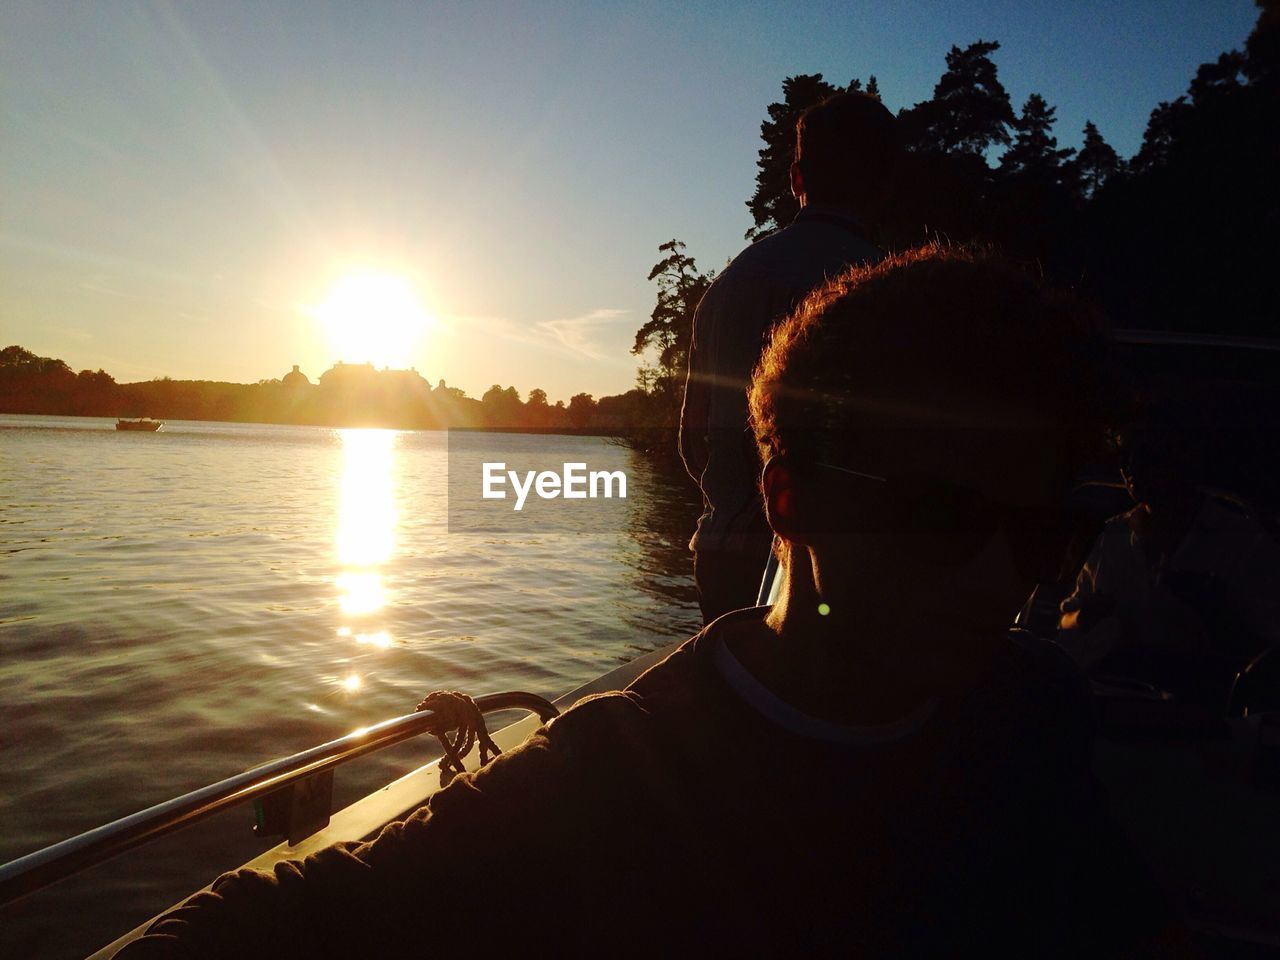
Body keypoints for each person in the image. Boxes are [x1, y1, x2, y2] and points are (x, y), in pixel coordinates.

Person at [116, 246, 1172, 958]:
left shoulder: (1029, 715)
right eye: (938, 516)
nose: (998, 578)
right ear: (785, 496)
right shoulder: (604, 783)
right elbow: (291, 919)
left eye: (1042, 535)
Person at [680, 91, 899, 623]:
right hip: (839, 568)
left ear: (797, 178)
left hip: (724, 551)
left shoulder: (729, 285)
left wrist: (734, 500)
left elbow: (691, 438)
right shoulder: (892, 289)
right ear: (885, 182)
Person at [1058, 414, 1280, 692]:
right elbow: (1066, 619)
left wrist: (1214, 614)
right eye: (1124, 456)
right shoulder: (1113, 536)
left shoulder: (1241, 541)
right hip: (1110, 697)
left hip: (1203, 703)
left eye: (1146, 454)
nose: (1129, 467)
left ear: (1181, 456)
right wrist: (1084, 616)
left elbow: (1268, 649)